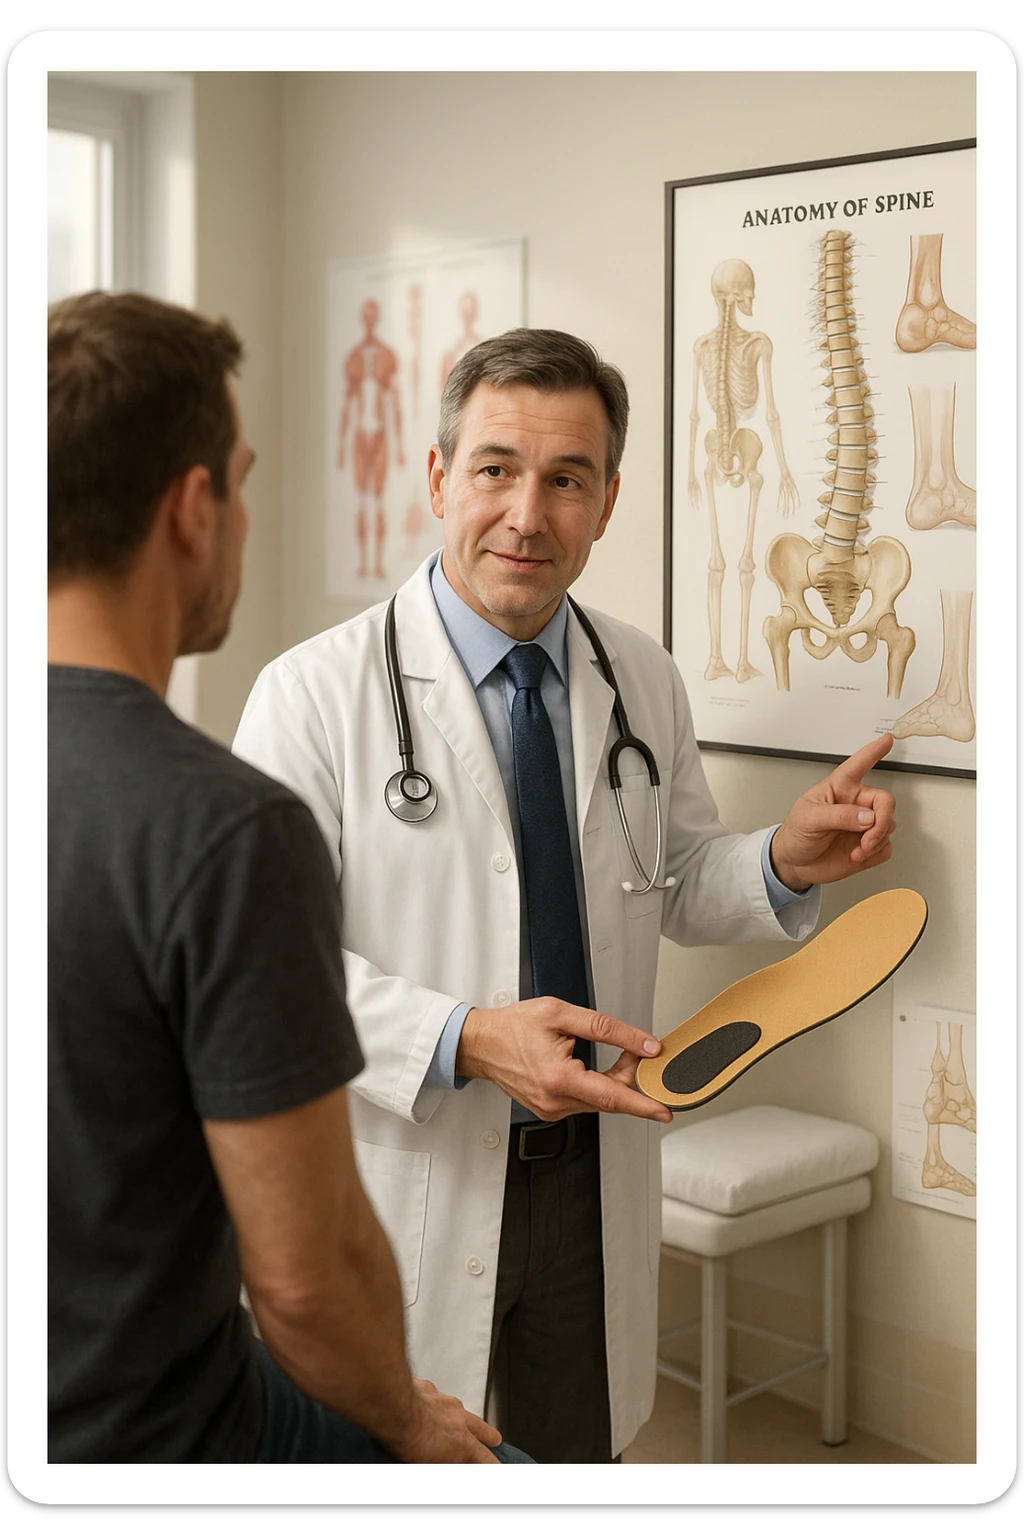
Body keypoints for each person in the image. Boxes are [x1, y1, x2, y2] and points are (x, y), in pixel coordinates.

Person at [232, 328, 897, 1464]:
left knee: (579, 1457)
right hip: (415, 1168)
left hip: (590, 1179)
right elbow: (261, 977)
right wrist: (467, 1038)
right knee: (402, 1461)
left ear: (607, 502)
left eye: (567, 480)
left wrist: (782, 860)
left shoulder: (639, 675)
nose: (527, 516)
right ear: (439, 477)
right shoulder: (311, 696)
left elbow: (671, 877)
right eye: (495, 469)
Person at [47, 290, 531, 1465]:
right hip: (153, 1434)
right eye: (244, 481)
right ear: (193, 511)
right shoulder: (220, 830)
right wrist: (409, 1419)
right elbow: (306, 1282)